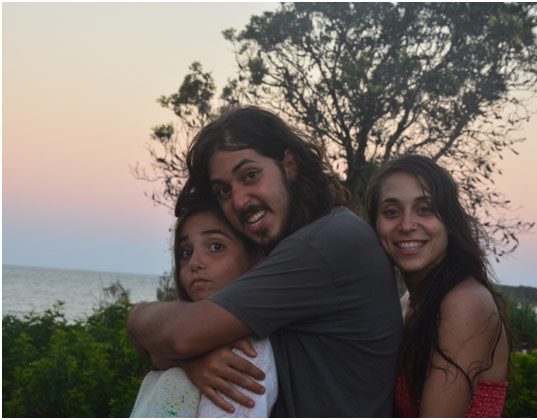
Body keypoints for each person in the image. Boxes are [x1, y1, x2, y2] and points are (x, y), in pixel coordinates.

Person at [127, 106, 403, 417]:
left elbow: (180, 335)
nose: (240, 200)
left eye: (250, 176)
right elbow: (168, 345)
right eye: (223, 190)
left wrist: (140, 319)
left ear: (289, 165)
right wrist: (188, 358)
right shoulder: (322, 235)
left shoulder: (319, 247)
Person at [365, 155, 511, 418]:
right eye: (391, 212)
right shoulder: (407, 303)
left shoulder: (465, 302)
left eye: (425, 209)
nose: (407, 225)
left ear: (450, 223)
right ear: (375, 227)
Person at [130, 202, 278, 417]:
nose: (195, 262)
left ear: (253, 260)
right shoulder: (188, 339)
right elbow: (152, 349)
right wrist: (187, 359)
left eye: (216, 246)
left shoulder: (245, 353)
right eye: (186, 252)